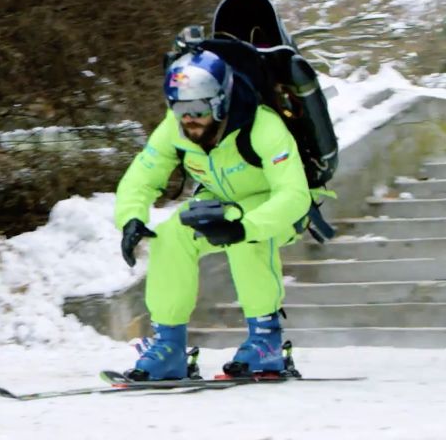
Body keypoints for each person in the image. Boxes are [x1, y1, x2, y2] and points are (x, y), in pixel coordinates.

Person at [113, 48, 312, 380]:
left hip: (277, 210)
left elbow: (294, 195)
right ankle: (169, 347)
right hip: (219, 203)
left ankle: (266, 342)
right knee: (170, 236)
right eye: (179, 108)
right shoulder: (174, 129)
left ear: (220, 103)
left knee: (244, 236)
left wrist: (245, 228)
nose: (188, 118)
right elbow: (141, 177)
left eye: (198, 109)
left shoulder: (263, 125)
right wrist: (131, 218)